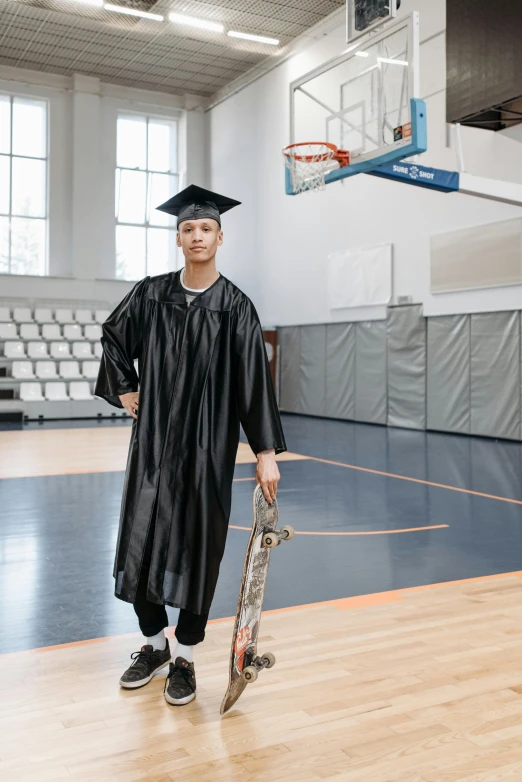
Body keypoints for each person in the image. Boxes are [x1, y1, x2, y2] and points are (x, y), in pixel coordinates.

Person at [95, 184, 287, 706]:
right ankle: (154, 645)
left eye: (205, 228)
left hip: (206, 450)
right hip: (153, 445)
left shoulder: (235, 308)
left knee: (197, 548)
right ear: (178, 238)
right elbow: (114, 337)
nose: (197, 235)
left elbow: (253, 384)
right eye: (188, 228)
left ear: (220, 237)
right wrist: (126, 385)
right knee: (141, 540)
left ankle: (186, 658)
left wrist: (265, 453)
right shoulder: (150, 294)